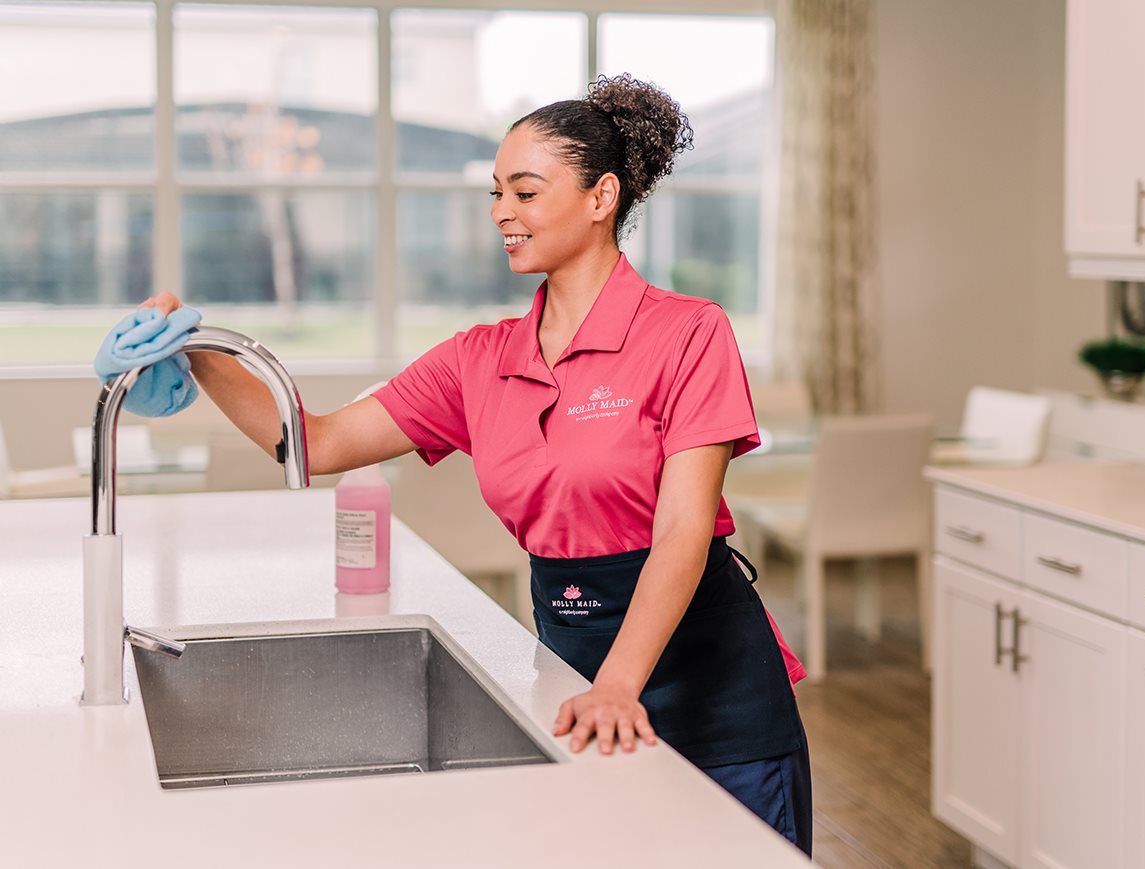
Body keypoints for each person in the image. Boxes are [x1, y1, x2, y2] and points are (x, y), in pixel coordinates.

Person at [123, 74, 812, 855]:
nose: (500, 214)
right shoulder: (478, 360)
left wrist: (619, 685)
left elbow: (684, 526)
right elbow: (313, 442)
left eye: (524, 191)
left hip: (714, 695)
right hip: (574, 677)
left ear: (601, 197)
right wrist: (196, 346)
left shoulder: (689, 333)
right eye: (495, 194)